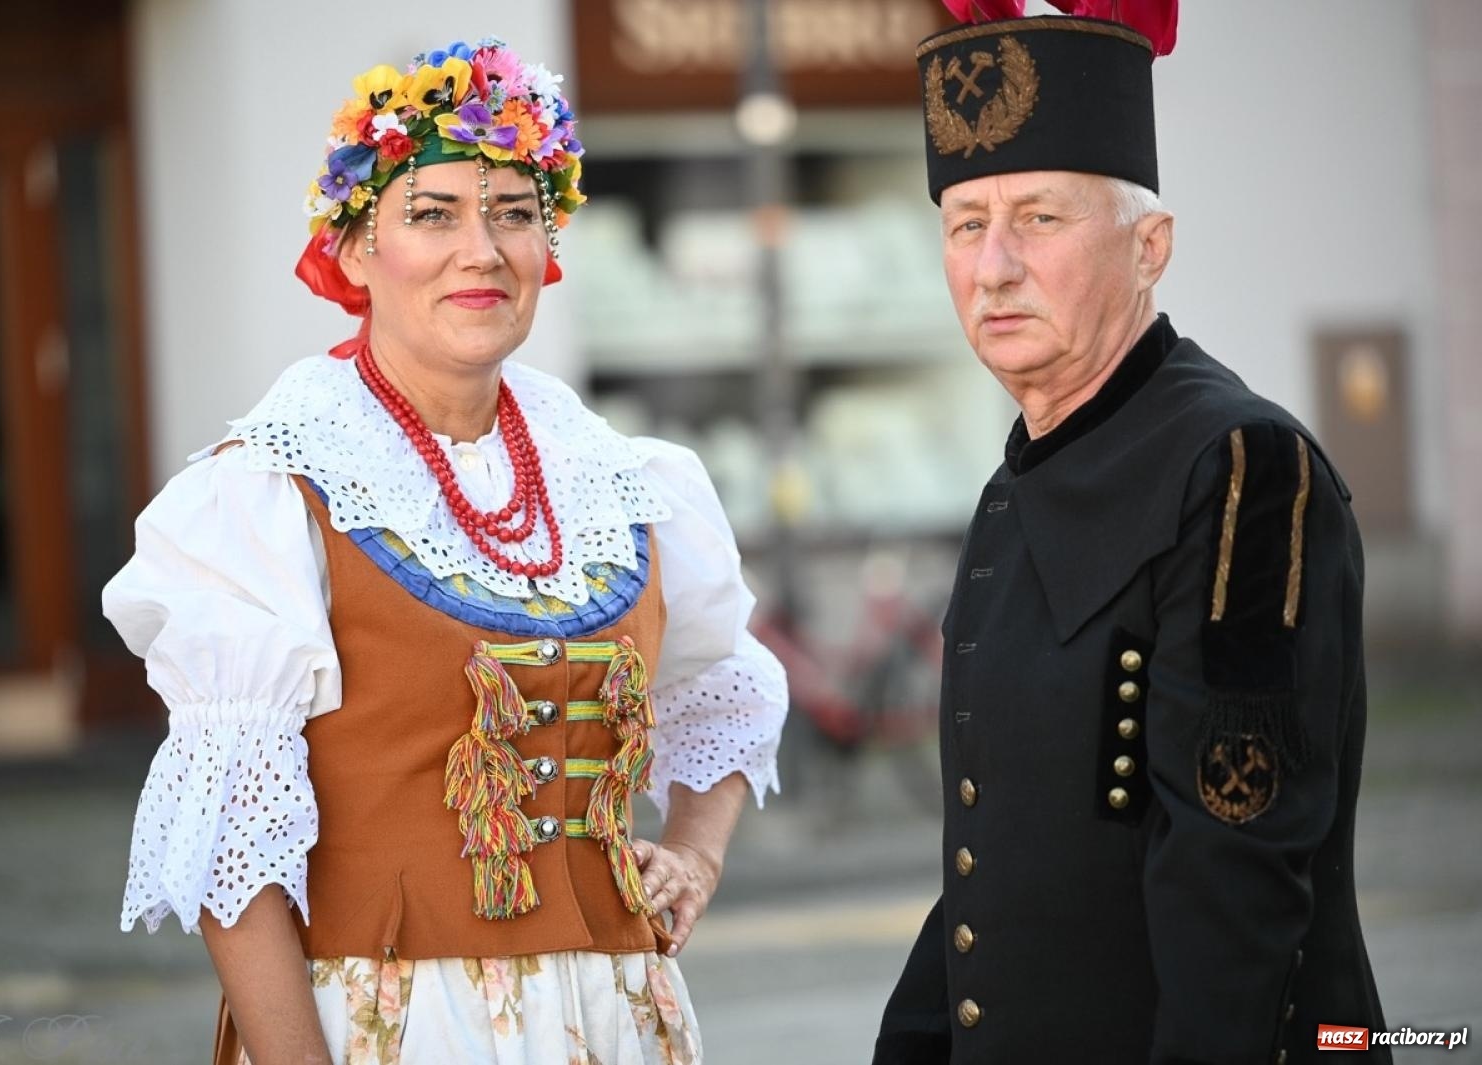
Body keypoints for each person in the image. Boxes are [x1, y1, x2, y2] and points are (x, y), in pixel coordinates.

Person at [103, 38, 787, 1065]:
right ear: (351, 252)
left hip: (614, 1020)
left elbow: (725, 684)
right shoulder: (265, 493)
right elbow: (234, 870)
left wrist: (693, 853)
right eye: (433, 214)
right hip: (390, 1028)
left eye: (514, 212)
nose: (484, 249)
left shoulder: (625, 481)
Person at [873, 4, 1389, 1063]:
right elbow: (1003, 856)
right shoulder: (1024, 471)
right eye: (966, 224)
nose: (994, 266)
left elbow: (1236, 888)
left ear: (1149, 247)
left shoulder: (1241, 469)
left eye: (1041, 220)